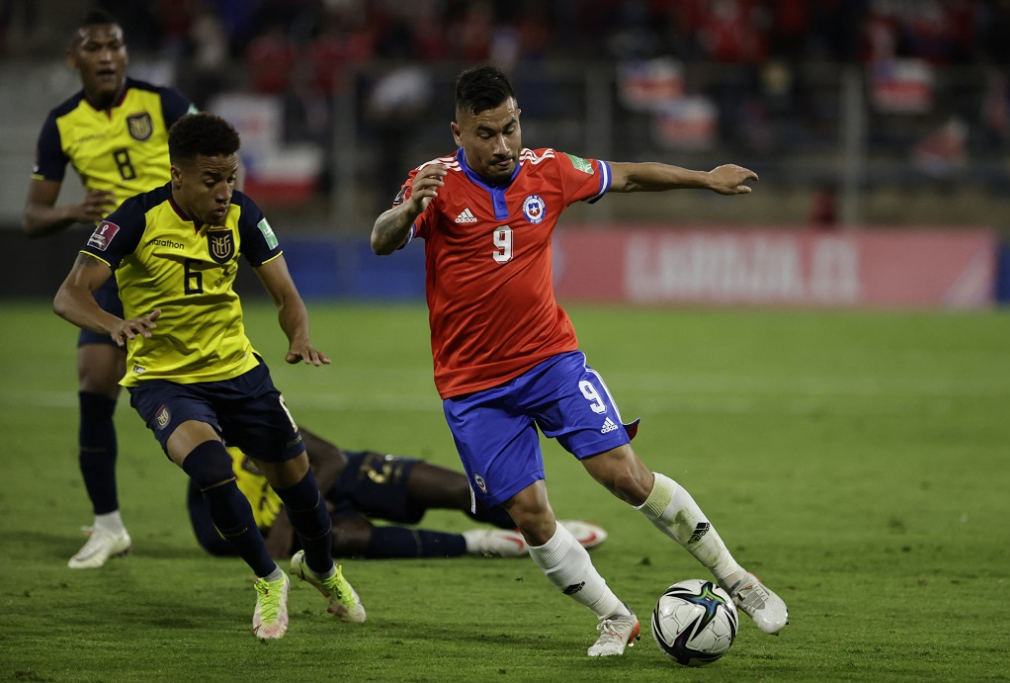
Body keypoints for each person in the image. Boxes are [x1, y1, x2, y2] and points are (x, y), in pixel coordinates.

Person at [370, 65, 788, 657]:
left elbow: (630, 178)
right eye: (487, 133)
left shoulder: (548, 170)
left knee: (626, 476)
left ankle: (737, 577)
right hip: (473, 388)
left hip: (551, 363)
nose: (503, 144)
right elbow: (382, 239)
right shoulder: (431, 184)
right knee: (531, 515)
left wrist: (703, 179)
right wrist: (410, 208)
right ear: (458, 132)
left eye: (511, 128)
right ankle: (615, 618)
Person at [53, 112, 362, 641]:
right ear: (177, 175)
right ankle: (268, 579)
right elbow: (70, 294)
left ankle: (322, 567)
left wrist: (299, 336)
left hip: (240, 373)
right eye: (211, 180)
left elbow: (285, 294)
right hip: (165, 381)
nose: (224, 192)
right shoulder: (136, 218)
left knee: (302, 490)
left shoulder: (242, 214)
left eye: (231, 179)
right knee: (213, 470)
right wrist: (114, 324)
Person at [23, 9, 198, 570]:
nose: (106, 56)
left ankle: (274, 497)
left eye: (115, 46)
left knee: (219, 384)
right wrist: (74, 209)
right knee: (95, 383)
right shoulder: (61, 124)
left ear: (126, 53)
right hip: (115, 263)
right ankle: (108, 526)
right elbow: (33, 214)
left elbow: (220, 160)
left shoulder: (163, 102)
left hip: (173, 267)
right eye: (93, 48)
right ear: (73, 58)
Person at [188, 426, 609, 560]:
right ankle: (482, 543)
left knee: (463, 489)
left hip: (350, 475)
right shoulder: (212, 528)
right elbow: (274, 553)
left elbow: (330, 459)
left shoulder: (244, 425)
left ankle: (544, 530)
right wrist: (306, 517)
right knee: (340, 539)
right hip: (323, 521)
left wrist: (301, 504)